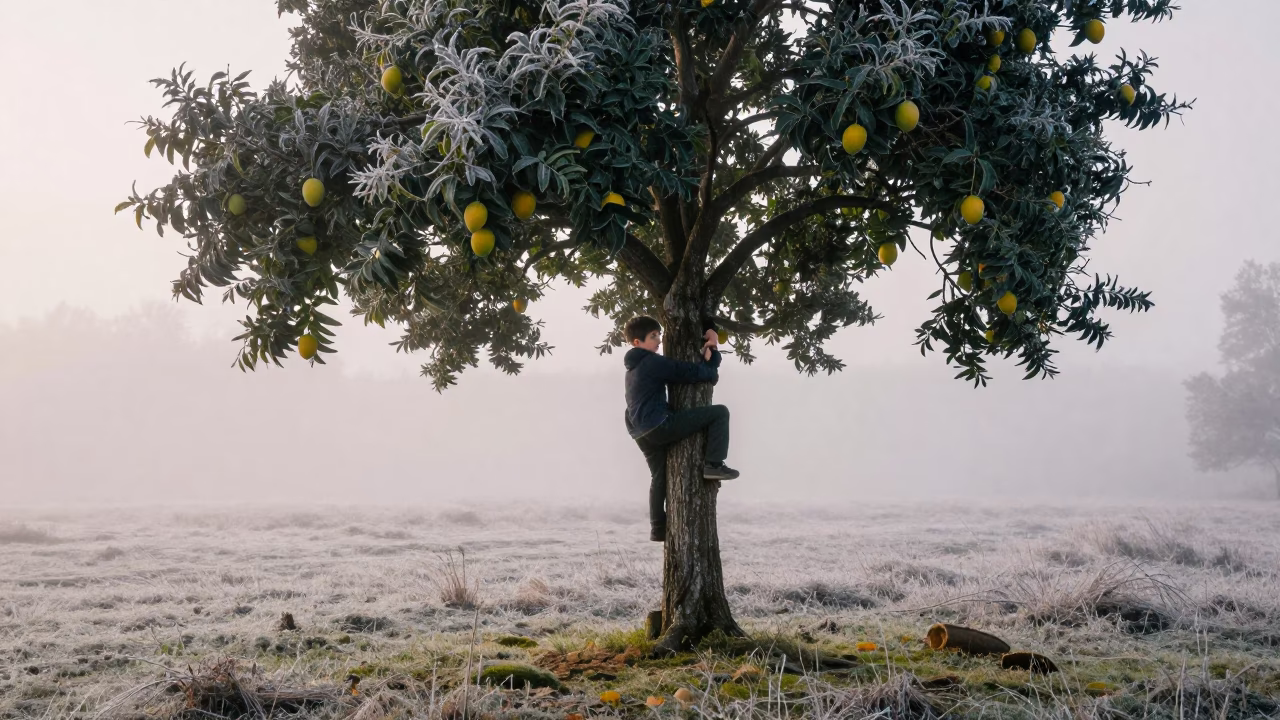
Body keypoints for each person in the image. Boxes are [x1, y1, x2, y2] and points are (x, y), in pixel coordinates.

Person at [622, 315, 740, 543]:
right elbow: (689, 372)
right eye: (653, 337)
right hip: (659, 426)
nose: (659, 341)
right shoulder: (652, 362)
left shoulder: (632, 369)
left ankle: (658, 527)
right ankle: (714, 465)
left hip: (640, 431)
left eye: (659, 335)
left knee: (659, 476)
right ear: (637, 342)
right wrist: (712, 356)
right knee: (720, 412)